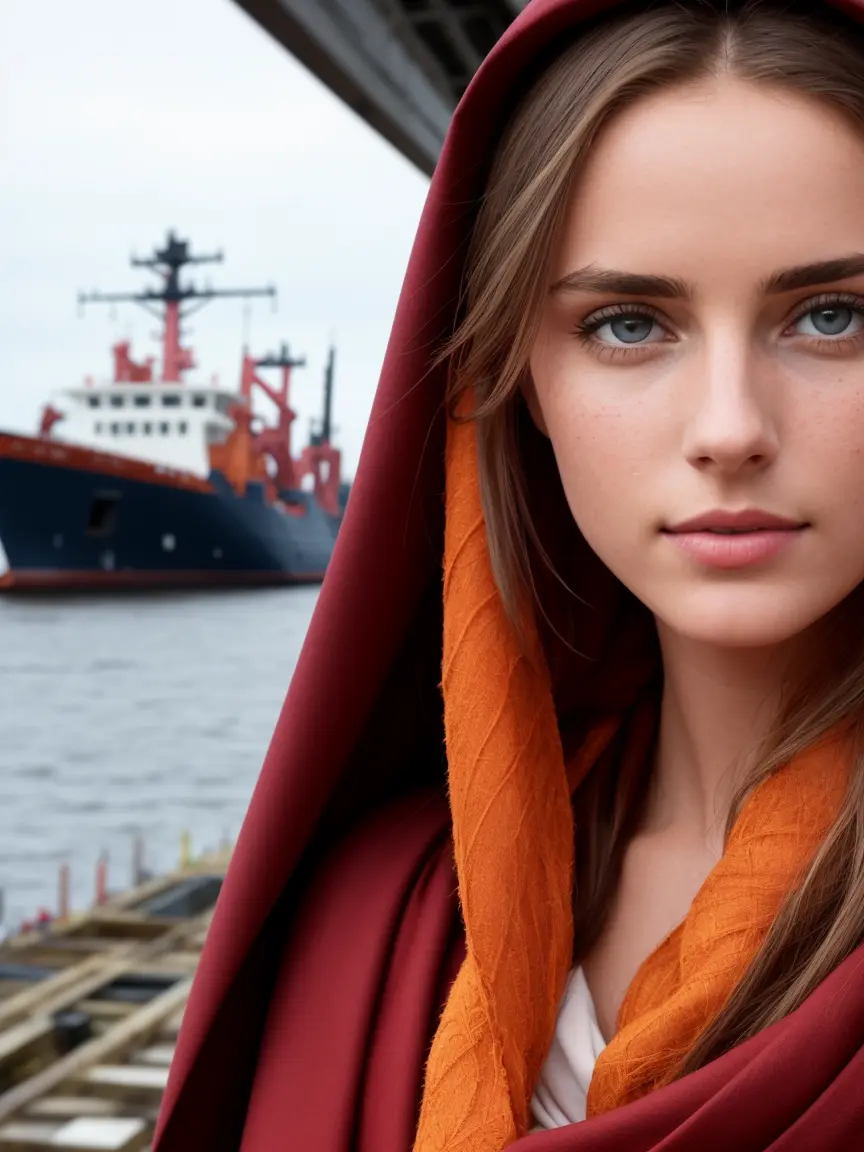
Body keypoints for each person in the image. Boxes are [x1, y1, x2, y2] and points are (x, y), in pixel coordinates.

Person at [153, 0, 864, 1148]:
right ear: (517, 381)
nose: (731, 428)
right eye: (630, 325)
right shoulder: (377, 913)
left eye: (833, 315)